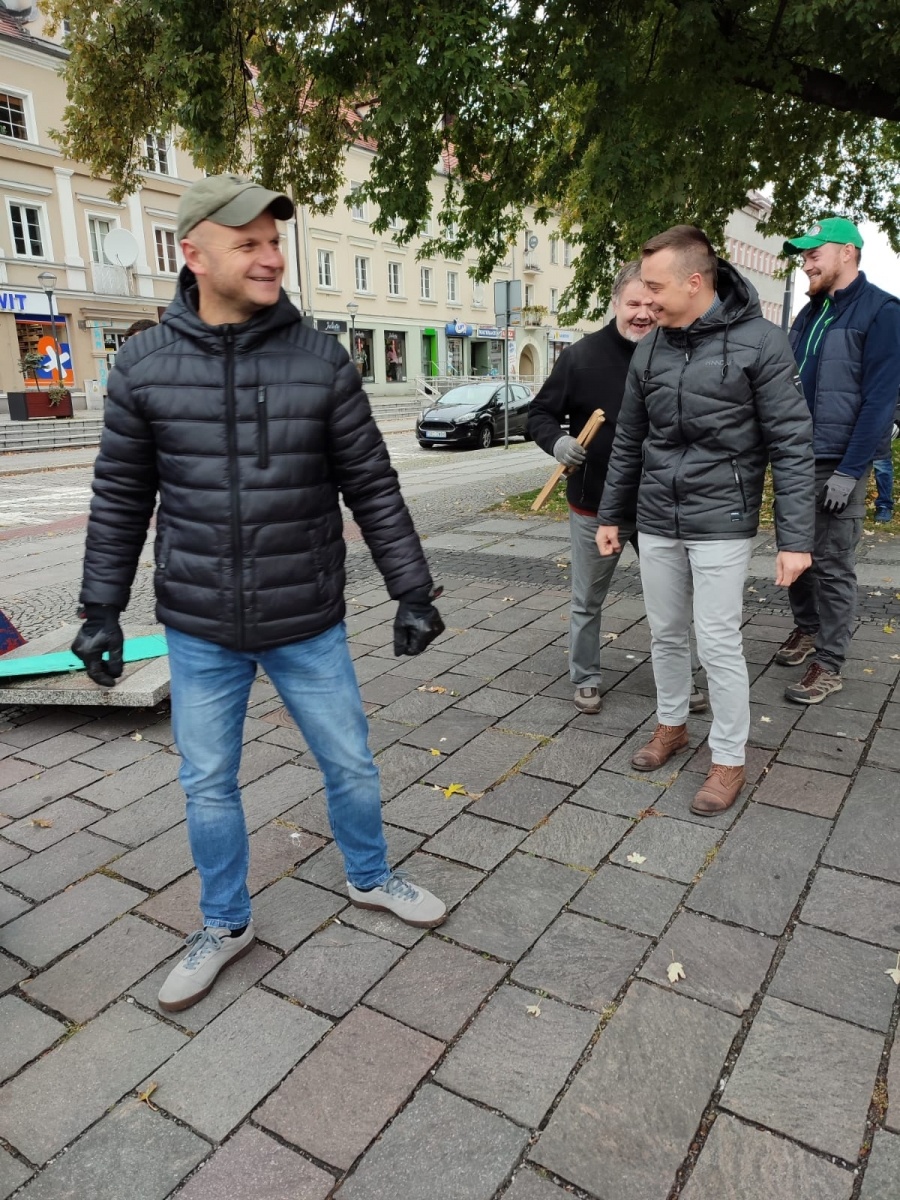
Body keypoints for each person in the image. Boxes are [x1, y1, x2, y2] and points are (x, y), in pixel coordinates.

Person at [72, 174, 447, 1013]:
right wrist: (99, 610)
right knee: (207, 782)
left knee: (348, 761)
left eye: (275, 241)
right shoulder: (142, 366)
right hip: (199, 624)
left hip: (305, 617)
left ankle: (370, 874)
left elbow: (373, 485)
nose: (271, 257)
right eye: (248, 244)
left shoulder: (321, 359)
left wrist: (411, 589)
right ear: (194, 254)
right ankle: (224, 923)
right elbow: (120, 498)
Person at [597, 225, 814, 815]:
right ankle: (672, 725)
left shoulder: (763, 342)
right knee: (665, 632)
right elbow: (629, 440)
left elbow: (792, 444)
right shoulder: (651, 346)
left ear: (695, 282)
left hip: (723, 517)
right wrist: (613, 514)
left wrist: (795, 540)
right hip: (656, 517)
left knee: (717, 641)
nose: (646, 302)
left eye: (656, 287)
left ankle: (728, 757)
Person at [528, 261, 707, 717]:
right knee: (587, 600)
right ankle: (585, 677)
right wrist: (559, 442)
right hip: (594, 504)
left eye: (651, 302)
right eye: (633, 303)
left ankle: (681, 681)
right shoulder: (581, 356)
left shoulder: (678, 352)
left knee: (673, 603)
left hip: (661, 505)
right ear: (615, 304)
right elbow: (539, 415)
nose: (643, 313)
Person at [775, 219, 900, 702]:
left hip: (837, 462)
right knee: (794, 553)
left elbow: (880, 400)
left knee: (832, 565)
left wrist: (850, 471)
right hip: (795, 457)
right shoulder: (811, 313)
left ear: (847, 252)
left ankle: (830, 662)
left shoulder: (883, 312)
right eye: (803, 255)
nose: (805, 262)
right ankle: (807, 629)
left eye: (813, 253)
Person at [872, 402, 899, 522]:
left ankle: (884, 505)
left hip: (889, 419)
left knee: (880, 460)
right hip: (863, 414)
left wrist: (896, 420)